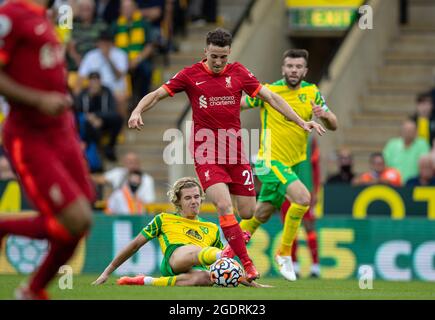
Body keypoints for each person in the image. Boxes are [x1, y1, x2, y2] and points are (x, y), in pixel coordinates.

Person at [128, 29, 325, 281]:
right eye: (214, 57)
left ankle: (230, 250)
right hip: (205, 150)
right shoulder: (190, 75)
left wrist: (300, 121)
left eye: (223, 57)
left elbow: (271, 97)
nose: (219, 62)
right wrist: (137, 110)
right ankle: (246, 263)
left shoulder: (240, 73)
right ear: (205, 52)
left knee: (248, 212)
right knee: (223, 205)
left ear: (229, 53)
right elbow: (156, 94)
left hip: (235, 152)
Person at [0, 0, 94, 300]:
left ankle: (32, 290)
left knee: (84, 217)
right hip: (30, 136)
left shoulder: (43, 16)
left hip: (61, 131)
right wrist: (38, 100)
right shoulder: (10, 15)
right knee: (76, 219)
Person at [238, 49, 337, 281]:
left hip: (291, 166)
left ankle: (225, 252)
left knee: (261, 214)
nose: (294, 70)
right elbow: (240, 104)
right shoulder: (269, 91)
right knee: (303, 199)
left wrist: (324, 115)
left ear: (305, 70)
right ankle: (283, 253)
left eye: (298, 66)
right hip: (267, 161)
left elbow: (334, 124)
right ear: (283, 69)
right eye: (290, 66)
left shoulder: (312, 92)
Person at [93, 177, 269, 287]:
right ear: (178, 201)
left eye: (196, 197)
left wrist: (253, 285)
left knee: (207, 279)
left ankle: (145, 280)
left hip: (197, 267)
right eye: (188, 198)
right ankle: (228, 251)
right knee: (198, 251)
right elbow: (134, 245)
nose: (194, 201)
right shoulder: (163, 219)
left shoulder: (212, 228)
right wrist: (107, 272)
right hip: (175, 260)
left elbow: (224, 267)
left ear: (201, 198)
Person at [280, 135, 321, 279]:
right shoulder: (280, 133)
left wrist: (316, 190)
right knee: (291, 227)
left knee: (309, 225)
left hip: (306, 187)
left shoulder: (310, 138)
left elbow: (315, 166)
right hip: (286, 187)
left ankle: (315, 266)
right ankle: (294, 266)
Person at [383, 119, 430, 183]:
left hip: (414, 183)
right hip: (394, 183)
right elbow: (385, 164)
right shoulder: (392, 144)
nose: (408, 133)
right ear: (401, 131)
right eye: (406, 130)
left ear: (416, 132)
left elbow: (426, 165)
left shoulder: (422, 144)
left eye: (411, 130)